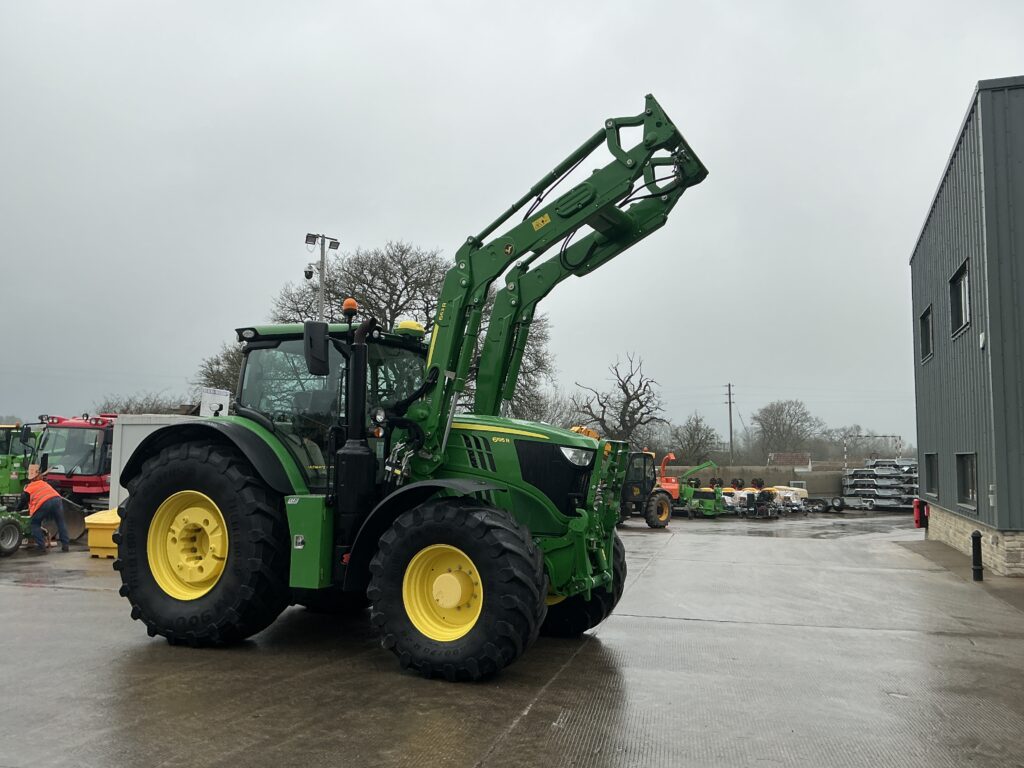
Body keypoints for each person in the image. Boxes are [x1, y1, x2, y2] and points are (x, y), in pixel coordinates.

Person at [18, 464, 70, 554]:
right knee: (60, 521)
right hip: (57, 499)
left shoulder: (28, 489)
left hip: (44, 503)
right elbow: (57, 483)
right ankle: (65, 545)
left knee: (35, 524)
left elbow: (21, 504)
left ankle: (41, 547)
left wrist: (15, 510)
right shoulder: (44, 483)